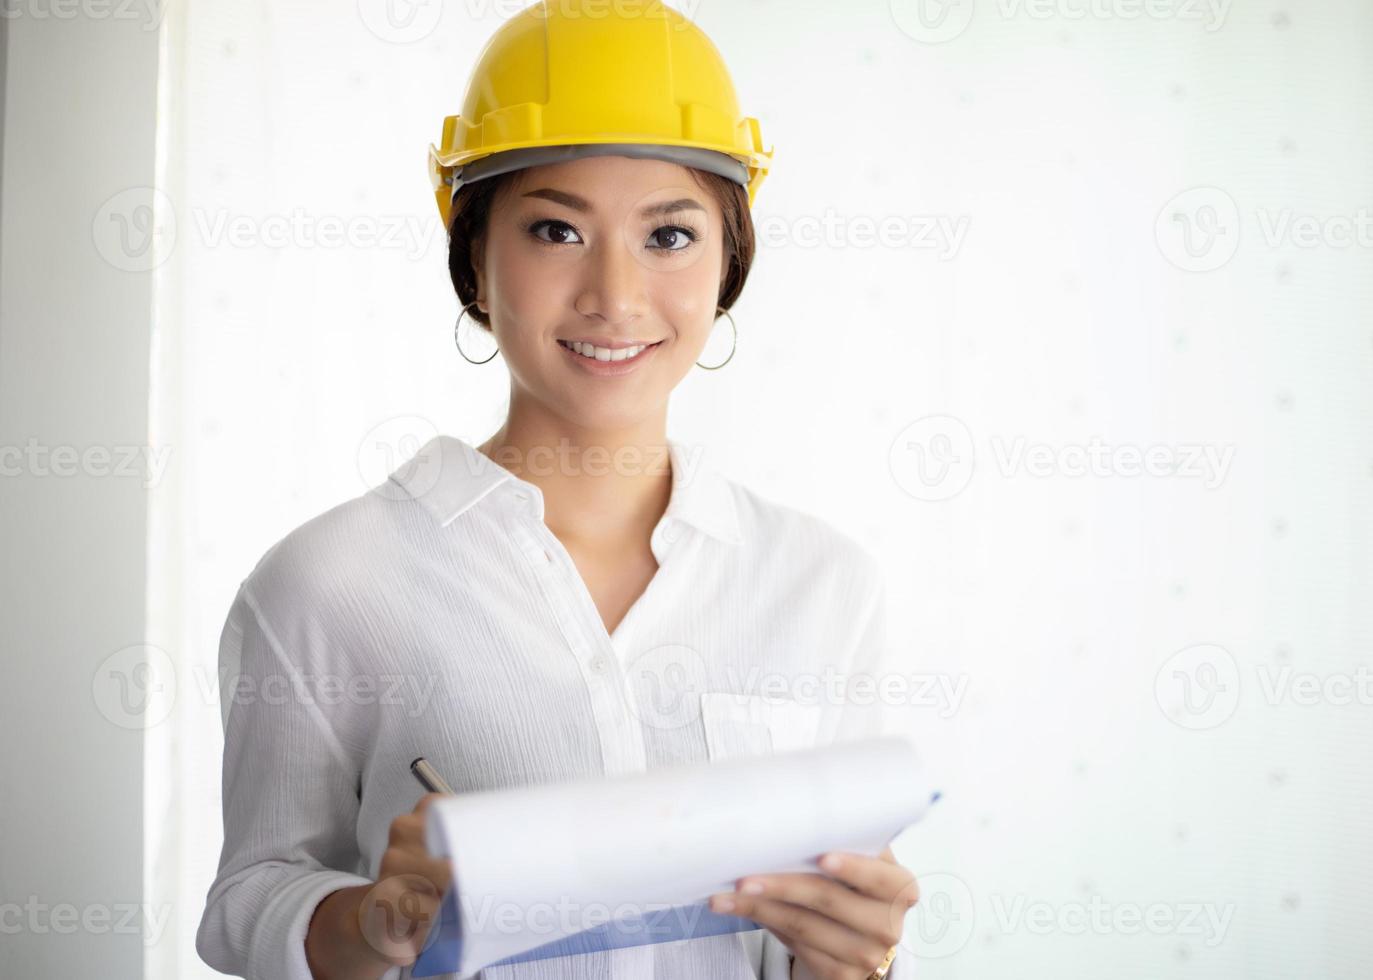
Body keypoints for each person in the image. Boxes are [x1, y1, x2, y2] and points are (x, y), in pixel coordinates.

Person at [194, 2, 917, 978]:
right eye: (555, 228)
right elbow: (250, 898)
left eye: (669, 235)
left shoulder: (825, 583)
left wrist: (845, 960)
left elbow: (825, 927)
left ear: (728, 262)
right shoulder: (328, 581)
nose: (615, 296)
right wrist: (373, 916)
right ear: (476, 261)